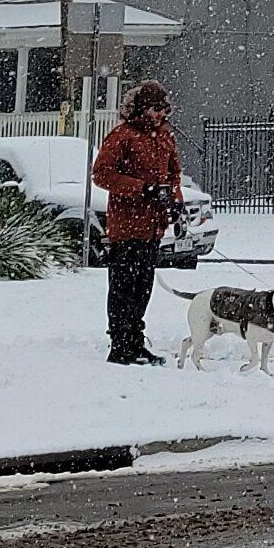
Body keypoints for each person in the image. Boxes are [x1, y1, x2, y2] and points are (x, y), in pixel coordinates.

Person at [91, 78, 182, 364]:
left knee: (144, 287)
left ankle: (135, 340)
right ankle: (120, 344)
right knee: (123, 288)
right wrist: (142, 188)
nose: (157, 115)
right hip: (126, 226)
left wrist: (174, 203)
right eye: (152, 109)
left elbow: (173, 175)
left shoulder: (166, 138)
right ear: (139, 108)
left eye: (161, 109)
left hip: (153, 227)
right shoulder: (122, 136)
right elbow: (101, 174)